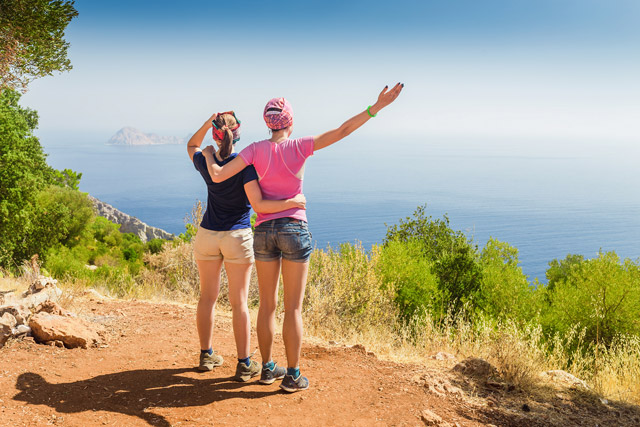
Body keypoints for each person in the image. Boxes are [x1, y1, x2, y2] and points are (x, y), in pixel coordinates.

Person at [202, 83, 404, 392]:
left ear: (267, 122)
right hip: (294, 229)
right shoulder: (300, 146)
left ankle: (267, 369)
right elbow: (343, 131)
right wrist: (375, 107)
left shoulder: (254, 150)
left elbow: (217, 175)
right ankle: (293, 375)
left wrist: (206, 155)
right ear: (290, 122)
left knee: (267, 306)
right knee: (292, 308)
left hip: (264, 232)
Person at [186, 111, 306, 382]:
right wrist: (292, 203)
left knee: (207, 297)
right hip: (236, 237)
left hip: (207, 234)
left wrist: (207, 123)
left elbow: (191, 145)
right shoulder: (245, 167)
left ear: (216, 135)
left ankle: (206, 355)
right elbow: (259, 204)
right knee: (239, 302)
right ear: (237, 134)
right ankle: (244, 364)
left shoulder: (206, 161)